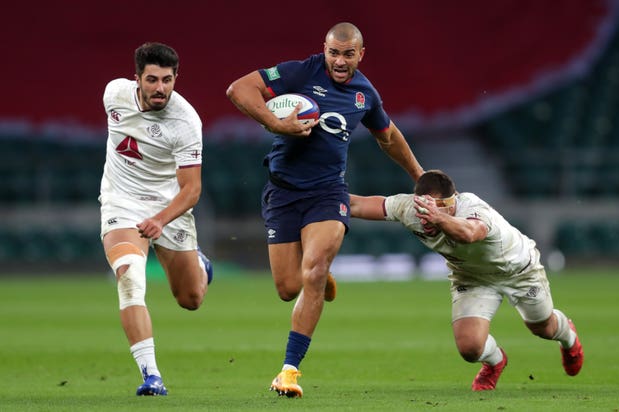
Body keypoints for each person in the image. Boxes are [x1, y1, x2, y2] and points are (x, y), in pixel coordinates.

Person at [226, 22, 424, 397]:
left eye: (348, 54)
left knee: (314, 269)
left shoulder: (365, 94)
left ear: (360, 55)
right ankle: (316, 275)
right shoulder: (301, 71)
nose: (339, 61)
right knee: (288, 288)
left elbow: (389, 137)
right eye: (334, 52)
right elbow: (238, 89)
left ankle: (288, 371)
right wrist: (277, 124)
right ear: (325, 49)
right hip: (282, 193)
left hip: (328, 193)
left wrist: (419, 175)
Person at [349, 169, 584, 391]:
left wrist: (438, 218)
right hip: (471, 276)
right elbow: (356, 205)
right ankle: (495, 362)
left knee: (542, 327)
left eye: (434, 211)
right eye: (422, 211)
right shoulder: (408, 207)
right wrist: (318, 198)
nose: (425, 219)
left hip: (519, 271)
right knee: (469, 348)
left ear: (451, 205)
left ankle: (568, 336)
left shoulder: (473, 208)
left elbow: (470, 234)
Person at [99, 42, 213, 396]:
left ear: (177, 78)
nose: (160, 88)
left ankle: (201, 267)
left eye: (167, 80)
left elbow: (192, 190)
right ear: (137, 79)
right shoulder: (114, 95)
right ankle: (152, 375)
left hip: (170, 206)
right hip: (121, 202)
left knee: (190, 299)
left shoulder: (186, 122)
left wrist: (161, 220)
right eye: (152, 79)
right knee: (130, 277)